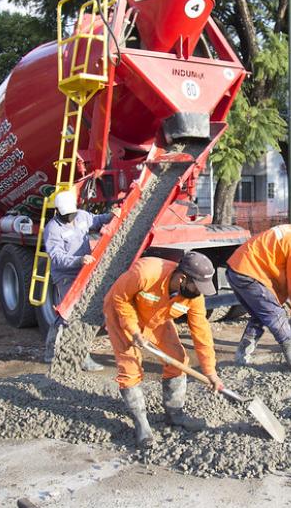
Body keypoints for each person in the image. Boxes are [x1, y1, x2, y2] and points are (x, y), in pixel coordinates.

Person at [104, 252, 224, 448]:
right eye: (197, 286)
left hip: (156, 316)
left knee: (177, 358)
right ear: (182, 278)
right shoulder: (146, 272)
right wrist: (134, 331)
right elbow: (120, 299)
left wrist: (210, 372)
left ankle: (174, 414)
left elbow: (201, 333)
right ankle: (141, 425)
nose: (199, 292)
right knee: (130, 367)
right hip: (122, 314)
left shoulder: (193, 297)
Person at [226, 221, 291, 379]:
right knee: (279, 321)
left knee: (260, 317)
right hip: (250, 273)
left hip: (237, 269)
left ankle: (240, 359)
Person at [43, 190, 112, 372]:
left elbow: (98, 220)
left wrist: (113, 215)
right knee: (74, 315)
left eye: (72, 213)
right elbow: (57, 257)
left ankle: (50, 351)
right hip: (66, 275)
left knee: (66, 314)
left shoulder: (81, 216)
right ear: (58, 211)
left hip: (84, 271)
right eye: (67, 215)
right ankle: (82, 358)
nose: (71, 218)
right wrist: (77, 260)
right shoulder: (53, 229)